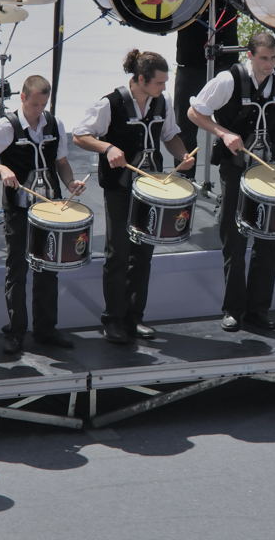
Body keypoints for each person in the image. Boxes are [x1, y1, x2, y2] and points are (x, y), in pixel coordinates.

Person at [188, 32, 275, 332]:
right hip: (236, 168)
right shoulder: (228, 79)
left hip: (270, 168)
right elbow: (195, 112)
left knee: (268, 239)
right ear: (250, 55)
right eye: (263, 58)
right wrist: (223, 133)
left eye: (273, 58)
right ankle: (233, 309)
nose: (269, 65)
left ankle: (259, 310)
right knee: (235, 238)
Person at [73, 50, 195, 344]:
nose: (164, 88)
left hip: (152, 185)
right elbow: (80, 135)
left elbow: (170, 134)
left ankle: (134, 317)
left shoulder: (161, 103)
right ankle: (113, 319)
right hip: (120, 185)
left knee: (144, 253)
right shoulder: (110, 103)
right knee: (119, 252)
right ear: (141, 79)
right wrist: (107, 148)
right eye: (159, 83)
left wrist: (181, 154)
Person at [0, 76, 86, 355]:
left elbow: (62, 162)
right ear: (22, 98)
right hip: (19, 208)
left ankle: (46, 329)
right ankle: (16, 330)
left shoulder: (54, 124)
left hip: (49, 208)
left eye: (43, 105)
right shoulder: (6, 126)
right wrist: (1, 170)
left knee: (48, 267)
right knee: (17, 268)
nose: (38, 110)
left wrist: (70, 183)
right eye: (34, 104)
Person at [172, 0, 239, 179]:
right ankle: (186, 175)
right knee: (185, 124)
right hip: (191, 61)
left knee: (228, 120)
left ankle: (228, 173)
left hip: (225, 59)